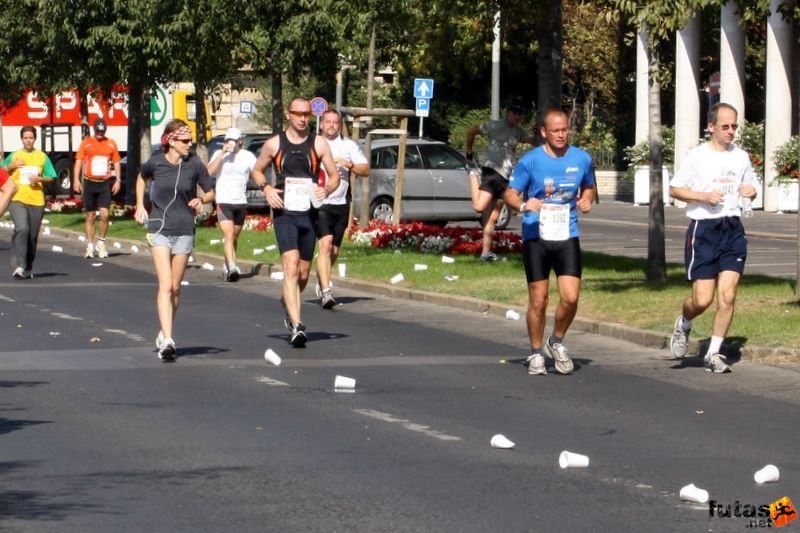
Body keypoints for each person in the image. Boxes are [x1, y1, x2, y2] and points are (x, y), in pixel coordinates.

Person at [503, 109, 596, 376]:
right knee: (539, 300)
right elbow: (510, 192)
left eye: (564, 129)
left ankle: (556, 341)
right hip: (536, 235)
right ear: (544, 132)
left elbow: (589, 187)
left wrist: (586, 199)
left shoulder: (581, 158)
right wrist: (523, 204)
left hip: (567, 234)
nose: (560, 134)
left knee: (570, 297)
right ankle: (535, 353)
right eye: (555, 130)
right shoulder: (530, 161)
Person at [668, 102, 757, 374]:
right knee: (702, 300)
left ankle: (713, 353)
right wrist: (703, 196)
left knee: (727, 296)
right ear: (711, 127)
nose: (731, 131)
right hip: (704, 230)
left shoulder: (741, 157)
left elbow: (751, 187)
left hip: (732, 228)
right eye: (725, 126)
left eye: (734, 126)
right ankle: (684, 321)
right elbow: (675, 189)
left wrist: (750, 190)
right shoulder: (698, 156)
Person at [251, 97, 339, 347]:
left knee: (302, 274)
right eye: (298, 114)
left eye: (307, 115)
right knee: (290, 265)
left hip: (309, 214)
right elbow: (257, 171)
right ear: (289, 115)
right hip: (285, 213)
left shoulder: (319, 143)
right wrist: (266, 188)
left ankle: (288, 301)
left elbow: (334, 177)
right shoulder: (274, 144)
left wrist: (327, 190)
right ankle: (297, 326)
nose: (302, 119)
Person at [134, 119, 214, 362]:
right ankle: (168, 339)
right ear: (170, 140)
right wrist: (140, 205)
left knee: (176, 288)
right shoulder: (156, 161)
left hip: (184, 229)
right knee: (166, 285)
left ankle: (164, 330)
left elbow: (210, 190)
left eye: (190, 140)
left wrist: (202, 200)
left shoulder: (194, 165)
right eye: (184, 141)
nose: (189, 144)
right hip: (159, 228)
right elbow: (141, 178)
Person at [465, 99, 535, 262]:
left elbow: (531, 141)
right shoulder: (495, 126)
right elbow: (471, 131)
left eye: (520, 113)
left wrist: (538, 133)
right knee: (479, 206)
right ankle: (472, 173)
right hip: (492, 172)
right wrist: (469, 154)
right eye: (514, 112)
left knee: (493, 216)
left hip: (506, 177)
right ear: (508, 113)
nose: (517, 116)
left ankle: (485, 253)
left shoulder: (518, 131)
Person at [315, 109, 369, 309]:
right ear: (321, 124)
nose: (331, 125)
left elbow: (365, 169)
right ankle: (326, 290)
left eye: (334, 122)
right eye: (327, 122)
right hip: (320, 202)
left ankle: (322, 277)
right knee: (326, 244)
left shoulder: (348, 145)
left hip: (341, 201)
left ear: (339, 125)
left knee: (335, 250)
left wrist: (350, 164)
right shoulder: (314, 143)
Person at [2, 126, 57, 279]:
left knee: (32, 236)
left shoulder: (42, 157)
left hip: (37, 200)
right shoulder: (15, 155)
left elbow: (51, 176)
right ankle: (19, 265)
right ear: (22, 139)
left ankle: (28, 266)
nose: (28, 140)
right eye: (25, 137)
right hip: (18, 198)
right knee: (22, 228)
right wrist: (10, 166)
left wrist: (40, 179)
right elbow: (2, 170)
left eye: (31, 137)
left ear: (35, 139)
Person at [207, 127, 257, 282]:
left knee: (234, 237)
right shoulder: (219, 155)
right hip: (223, 200)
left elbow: (256, 173)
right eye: (228, 140)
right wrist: (222, 153)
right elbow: (209, 172)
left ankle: (227, 265)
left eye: (234, 140)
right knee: (228, 234)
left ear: (240, 141)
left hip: (240, 201)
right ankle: (233, 266)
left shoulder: (248, 156)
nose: (231, 143)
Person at [73, 118, 122, 259]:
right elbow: (79, 161)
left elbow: (117, 162)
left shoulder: (111, 143)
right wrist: (76, 179)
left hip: (104, 184)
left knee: (105, 214)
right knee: (90, 216)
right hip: (89, 183)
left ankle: (101, 243)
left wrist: (118, 180)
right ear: (94, 130)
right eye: (98, 131)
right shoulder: (87, 143)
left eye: (102, 131)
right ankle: (89, 246)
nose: (100, 133)